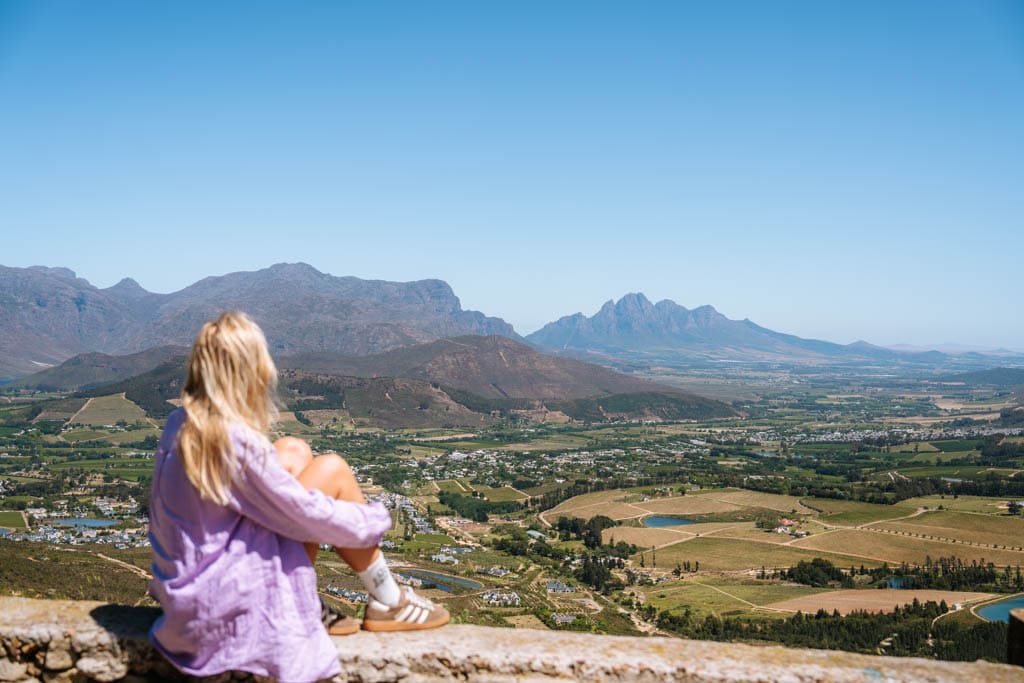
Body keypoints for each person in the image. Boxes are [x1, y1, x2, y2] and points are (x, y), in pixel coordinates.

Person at [148, 311, 448, 683]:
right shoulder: (231, 440)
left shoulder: (180, 424)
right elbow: (301, 515)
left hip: (186, 599)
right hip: (224, 610)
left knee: (293, 449)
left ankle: (318, 603)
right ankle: (388, 599)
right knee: (333, 469)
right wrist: (373, 520)